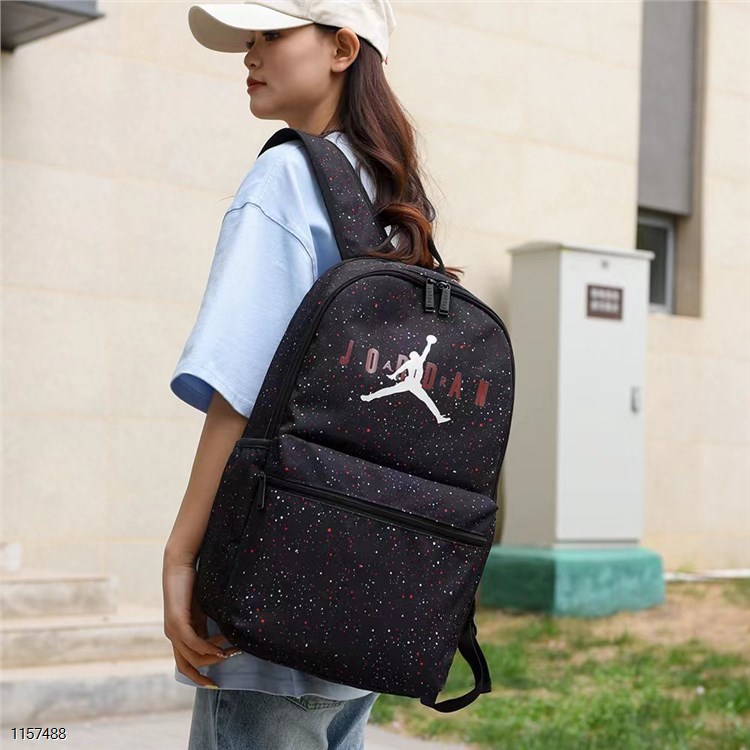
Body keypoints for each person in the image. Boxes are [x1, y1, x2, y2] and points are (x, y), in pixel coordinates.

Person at [162, 2, 463, 748]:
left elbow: (240, 387)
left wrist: (182, 553)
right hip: (364, 596)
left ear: (342, 48)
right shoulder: (396, 198)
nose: (250, 55)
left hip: (271, 591)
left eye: (270, 36)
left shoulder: (286, 177)